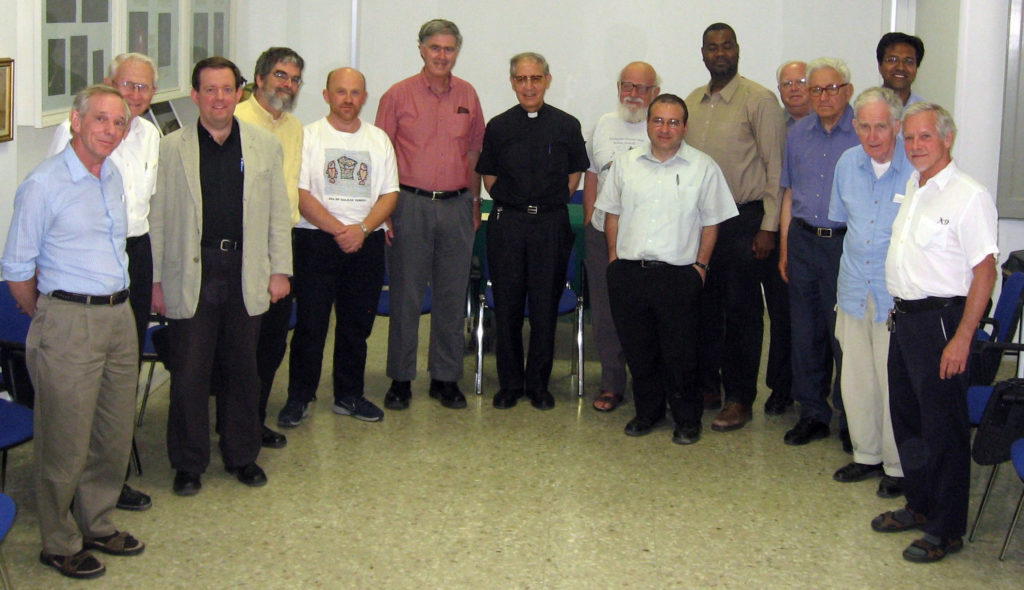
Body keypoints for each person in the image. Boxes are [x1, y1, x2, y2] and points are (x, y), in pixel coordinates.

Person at [2, 85, 145, 579]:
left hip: (118, 317)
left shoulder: (111, 175)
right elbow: (18, 270)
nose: (110, 130)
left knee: (111, 432)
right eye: (101, 120)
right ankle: (58, 541)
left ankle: (98, 523)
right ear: (76, 121)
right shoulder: (43, 183)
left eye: (119, 122)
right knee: (65, 439)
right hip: (69, 321)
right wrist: (51, 313)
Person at [150, 57, 292, 496]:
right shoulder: (170, 149)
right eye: (209, 90)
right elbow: (156, 219)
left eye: (226, 89)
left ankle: (241, 455)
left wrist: (280, 270)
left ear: (240, 93)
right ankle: (189, 463)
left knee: (241, 368)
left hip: (246, 269)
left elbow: (277, 214)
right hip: (192, 270)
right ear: (195, 95)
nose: (218, 98)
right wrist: (155, 280)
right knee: (190, 371)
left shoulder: (263, 146)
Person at [872, 102, 998, 563]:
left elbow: (985, 271)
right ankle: (920, 506)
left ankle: (946, 529)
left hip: (944, 323)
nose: (915, 146)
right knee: (909, 421)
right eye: (909, 138)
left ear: (948, 138)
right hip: (905, 320)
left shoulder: (968, 195)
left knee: (943, 431)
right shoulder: (915, 185)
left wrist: (963, 338)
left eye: (925, 137)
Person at [46, 52, 159, 512]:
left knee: (121, 373)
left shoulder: (152, 134)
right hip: (86, 258)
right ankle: (72, 485)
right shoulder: (74, 132)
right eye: (127, 85)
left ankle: (109, 479)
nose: (135, 96)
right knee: (84, 381)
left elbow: (150, 205)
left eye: (144, 88)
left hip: (136, 250)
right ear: (110, 82)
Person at [596, 94, 737, 444]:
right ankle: (648, 413)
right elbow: (611, 214)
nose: (665, 128)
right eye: (658, 120)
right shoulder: (625, 165)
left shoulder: (704, 167)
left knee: (681, 354)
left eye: (673, 122)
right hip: (629, 272)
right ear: (647, 124)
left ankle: (687, 420)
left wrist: (701, 267)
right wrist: (614, 259)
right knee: (639, 351)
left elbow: (712, 222)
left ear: (685, 127)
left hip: (679, 276)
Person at [277, 67, 399, 426]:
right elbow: (301, 193)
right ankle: (299, 396)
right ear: (327, 95)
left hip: (367, 241)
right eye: (341, 92)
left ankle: (349, 394)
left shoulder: (378, 140)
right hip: (316, 240)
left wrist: (361, 229)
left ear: (364, 97)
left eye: (356, 93)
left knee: (356, 326)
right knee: (311, 325)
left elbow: (390, 194)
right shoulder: (307, 136)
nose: (348, 99)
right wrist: (339, 230)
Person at [375, 19, 485, 411]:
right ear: (421, 49)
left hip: (457, 206)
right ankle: (401, 379)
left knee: (453, 296)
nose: (442, 55)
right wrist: (383, 212)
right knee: (405, 294)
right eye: (435, 48)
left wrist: (474, 203)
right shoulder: (397, 96)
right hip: (409, 205)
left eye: (449, 49)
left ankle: (445, 378)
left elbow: (474, 154)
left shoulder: (468, 94)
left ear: (457, 52)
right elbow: (381, 154)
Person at [684, 22, 788, 430]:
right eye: (712, 47)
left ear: (737, 50)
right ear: (704, 53)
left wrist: (768, 227)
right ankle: (709, 386)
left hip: (745, 220)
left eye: (727, 46)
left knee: (742, 313)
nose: (720, 53)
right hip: (699, 224)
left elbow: (776, 168)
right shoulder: (692, 101)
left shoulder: (759, 100)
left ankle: (740, 398)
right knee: (704, 308)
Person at [475, 52, 589, 410]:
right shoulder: (498, 125)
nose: (529, 86)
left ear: (547, 80)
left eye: (535, 78)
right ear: (512, 82)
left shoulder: (567, 125)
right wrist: (514, 204)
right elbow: (488, 176)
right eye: (521, 79)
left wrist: (547, 203)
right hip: (508, 223)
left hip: (550, 224)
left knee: (544, 305)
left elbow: (575, 176)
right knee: (507, 306)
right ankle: (510, 384)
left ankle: (538, 384)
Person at [828, 87, 909, 498]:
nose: (872, 136)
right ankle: (866, 455)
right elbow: (843, 223)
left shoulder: (915, 169)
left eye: (881, 127)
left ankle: (897, 465)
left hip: (896, 293)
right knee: (856, 377)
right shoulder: (846, 163)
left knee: (892, 379)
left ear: (897, 126)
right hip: (854, 286)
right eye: (864, 126)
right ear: (855, 126)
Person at [779, 57, 860, 446]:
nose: (824, 96)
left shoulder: (865, 132)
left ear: (847, 90)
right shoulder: (797, 133)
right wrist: (784, 249)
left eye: (831, 88)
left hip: (846, 245)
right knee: (806, 331)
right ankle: (812, 413)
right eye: (816, 89)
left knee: (843, 334)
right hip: (803, 240)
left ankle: (852, 419)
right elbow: (789, 193)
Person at [232, 46, 305, 448]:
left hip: (283, 245)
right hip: (242, 248)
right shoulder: (236, 120)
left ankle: (253, 421)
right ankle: (234, 424)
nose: (287, 85)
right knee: (242, 343)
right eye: (280, 76)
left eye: (294, 79)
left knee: (271, 342)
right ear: (258, 80)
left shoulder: (295, 128)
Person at [583, 61, 660, 413]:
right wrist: (589, 222)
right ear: (618, 88)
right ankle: (612, 383)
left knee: (647, 313)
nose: (633, 94)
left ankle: (649, 386)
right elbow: (592, 178)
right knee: (605, 312)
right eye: (627, 86)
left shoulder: (661, 128)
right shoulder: (602, 125)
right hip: (602, 234)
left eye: (642, 88)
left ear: (654, 93)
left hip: (647, 238)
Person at [876, 32, 926, 106]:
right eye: (892, 60)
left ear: (916, 67)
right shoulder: (864, 108)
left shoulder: (928, 113)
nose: (901, 67)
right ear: (880, 65)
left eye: (908, 61)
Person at [777, 60, 810, 127]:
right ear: (779, 89)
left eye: (801, 82)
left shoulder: (827, 119)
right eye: (787, 83)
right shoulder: (772, 121)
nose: (794, 88)